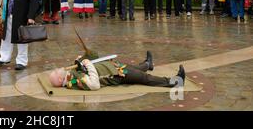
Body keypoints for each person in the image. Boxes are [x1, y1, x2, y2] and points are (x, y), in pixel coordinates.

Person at [49, 51, 185, 90]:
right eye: (55, 72)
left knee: (134, 68)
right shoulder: (73, 81)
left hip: (113, 68)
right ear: (60, 80)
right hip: (116, 75)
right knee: (145, 78)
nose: (57, 69)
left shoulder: (69, 73)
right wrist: (88, 64)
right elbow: (94, 84)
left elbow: (94, 56)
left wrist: (84, 57)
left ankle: (148, 64)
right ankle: (176, 81)